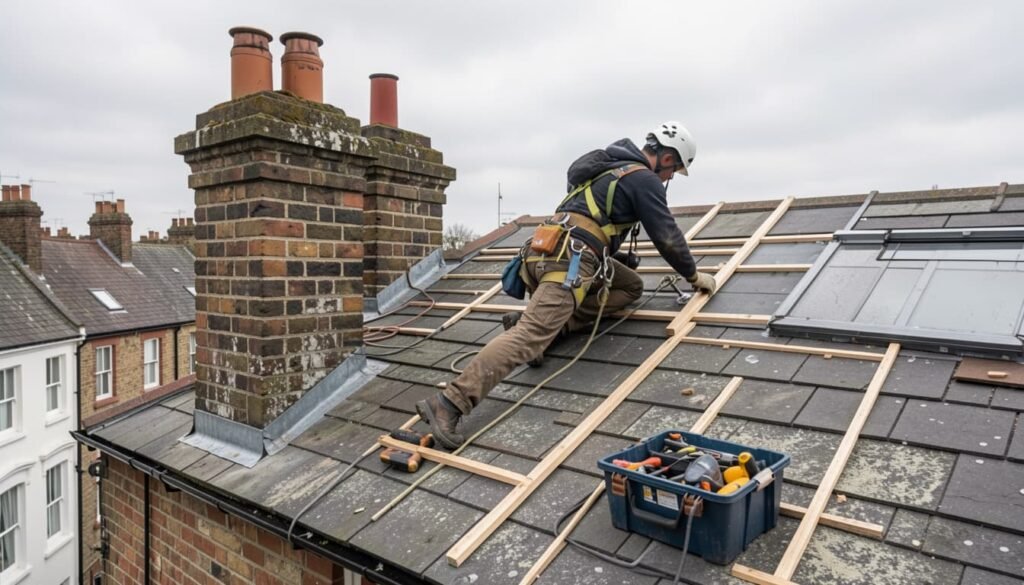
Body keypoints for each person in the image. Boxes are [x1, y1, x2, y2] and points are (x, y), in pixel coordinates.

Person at [417, 121, 717, 449]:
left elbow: (592, 219)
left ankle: (553, 325)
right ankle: (449, 403)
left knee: (630, 286)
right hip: (569, 262)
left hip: (541, 252)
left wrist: (615, 255)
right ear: (669, 158)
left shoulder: (610, 170)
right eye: (673, 171)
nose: (669, 178)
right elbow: (668, 237)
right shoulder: (644, 178)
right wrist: (693, 276)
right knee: (527, 340)